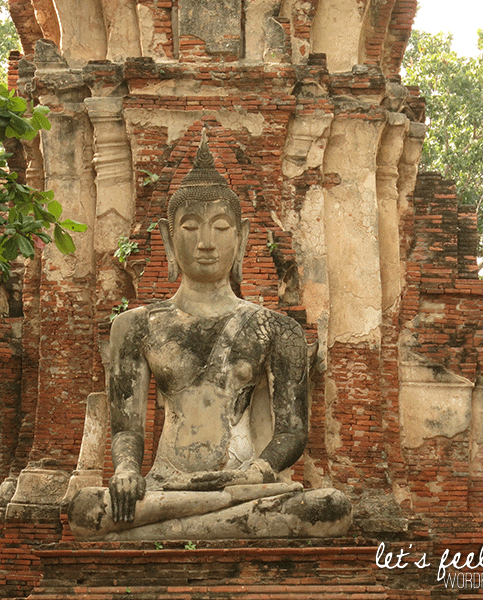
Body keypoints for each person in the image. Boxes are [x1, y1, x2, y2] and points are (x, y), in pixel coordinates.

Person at [65, 133, 351, 540]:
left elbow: (292, 432)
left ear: (242, 236)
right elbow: (127, 430)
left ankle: (169, 529)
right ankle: (203, 521)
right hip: (165, 484)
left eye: (220, 227)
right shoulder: (136, 326)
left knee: (329, 508)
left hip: (244, 485)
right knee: (84, 509)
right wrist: (127, 471)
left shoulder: (277, 329)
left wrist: (257, 472)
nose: (205, 243)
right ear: (168, 238)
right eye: (190, 227)